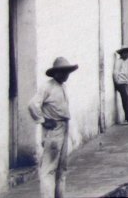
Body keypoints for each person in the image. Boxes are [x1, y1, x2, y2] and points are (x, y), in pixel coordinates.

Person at [28, 56, 78, 198]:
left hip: (64, 127)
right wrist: (43, 120)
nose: (65, 75)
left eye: (67, 72)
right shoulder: (47, 86)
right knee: (48, 170)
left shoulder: (63, 86)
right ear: (55, 73)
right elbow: (32, 105)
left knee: (62, 169)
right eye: (62, 72)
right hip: (53, 130)